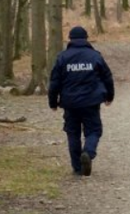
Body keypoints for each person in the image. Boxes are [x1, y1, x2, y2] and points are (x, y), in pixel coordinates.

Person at [49, 26, 115, 177]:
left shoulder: (62, 57)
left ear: (70, 39)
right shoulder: (95, 56)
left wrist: (53, 102)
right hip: (91, 102)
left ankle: (77, 167)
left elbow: (54, 82)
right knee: (94, 130)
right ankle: (88, 152)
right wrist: (109, 96)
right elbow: (107, 77)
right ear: (86, 39)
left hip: (70, 102)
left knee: (73, 133)